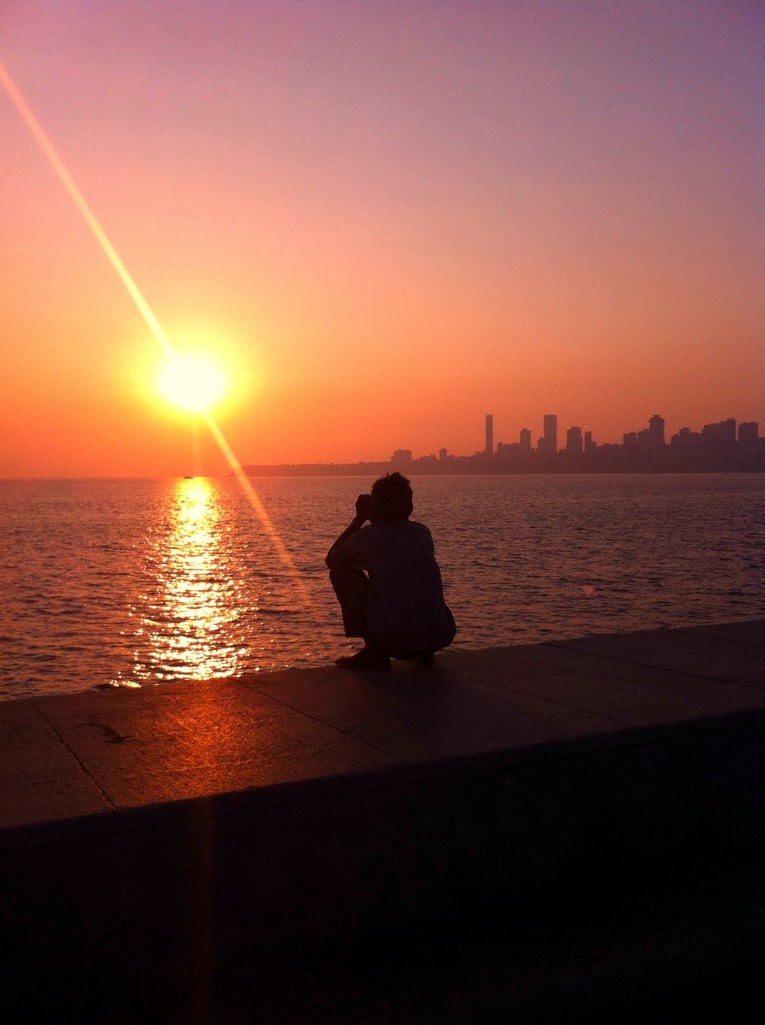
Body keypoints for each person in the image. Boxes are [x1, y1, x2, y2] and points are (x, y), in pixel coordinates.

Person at [326, 472, 456, 669]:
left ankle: (374, 651)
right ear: (410, 507)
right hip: (439, 636)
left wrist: (359, 518)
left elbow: (332, 559)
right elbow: (390, 544)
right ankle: (423, 652)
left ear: (376, 507)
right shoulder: (422, 532)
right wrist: (376, 517)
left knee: (339, 571)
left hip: (395, 641)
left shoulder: (370, 536)